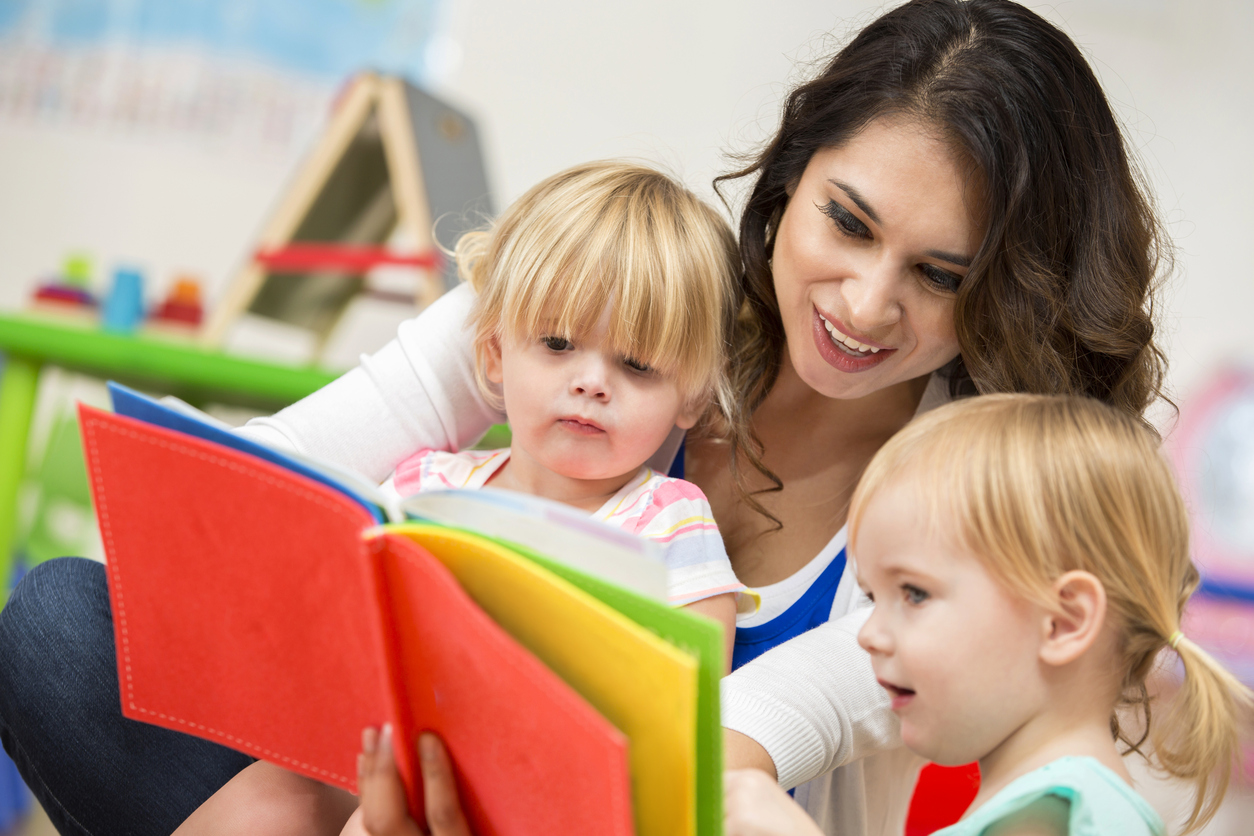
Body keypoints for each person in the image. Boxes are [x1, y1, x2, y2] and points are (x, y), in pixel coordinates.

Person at [0, 2, 1171, 834]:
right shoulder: (612, 304)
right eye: (849, 223)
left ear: (1005, 292)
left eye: (942, 275)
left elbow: (727, 747)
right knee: (61, 620)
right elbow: (251, 496)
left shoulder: (962, 510)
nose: (866, 305)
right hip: (394, 774)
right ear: (791, 176)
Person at [169, 159, 749, 836]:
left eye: (637, 364)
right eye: (558, 343)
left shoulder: (674, 523)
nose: (592, 382)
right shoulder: (426, 486)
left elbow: (692, 725)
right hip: (382, 754)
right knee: (273, 793)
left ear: (693, 397)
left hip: (542, 808)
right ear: (496, 354)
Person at [723, 394, 1253, 836]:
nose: (869, 635)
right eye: (871, 597)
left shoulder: (1070, 816)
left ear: (1063, 621)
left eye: (913, 594)